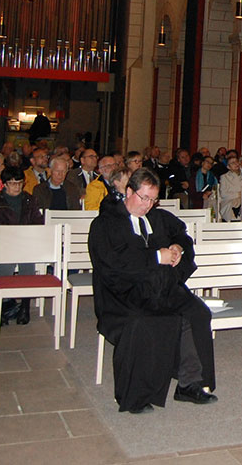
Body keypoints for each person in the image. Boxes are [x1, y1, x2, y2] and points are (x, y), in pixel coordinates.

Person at [88, 168, 217, 414]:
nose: (148, 205)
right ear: (129, 192)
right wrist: (157, 257)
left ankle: (190, 383)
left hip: (161, 288)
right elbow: (113, 264)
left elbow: (182, 235)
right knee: (146, 321)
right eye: (144, 198)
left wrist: (177, 248)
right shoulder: (105, 224)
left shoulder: (158, 218)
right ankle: (136, 395)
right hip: (122, 295)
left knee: (196, 312)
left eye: (153, 200)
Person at [0, 165, 44, 325]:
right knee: (7, 262)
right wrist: (4, 236)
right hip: (2, 244)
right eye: (12, 183)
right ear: (4, 184)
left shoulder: (29, 200)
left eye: (19, 183)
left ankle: (24, 305)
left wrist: (26, 236)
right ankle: (3, 304)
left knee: (27, 262)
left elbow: (38, 222)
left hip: (24, 245)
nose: (17, 187)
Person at [216, 155, 242, 221]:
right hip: (229, 202)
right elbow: (223, 194)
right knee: (234, 205)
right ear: (228, 167)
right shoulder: (224, 177)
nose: (236, 164)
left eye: (236, 161)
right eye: (233, 163)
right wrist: (239, 194)